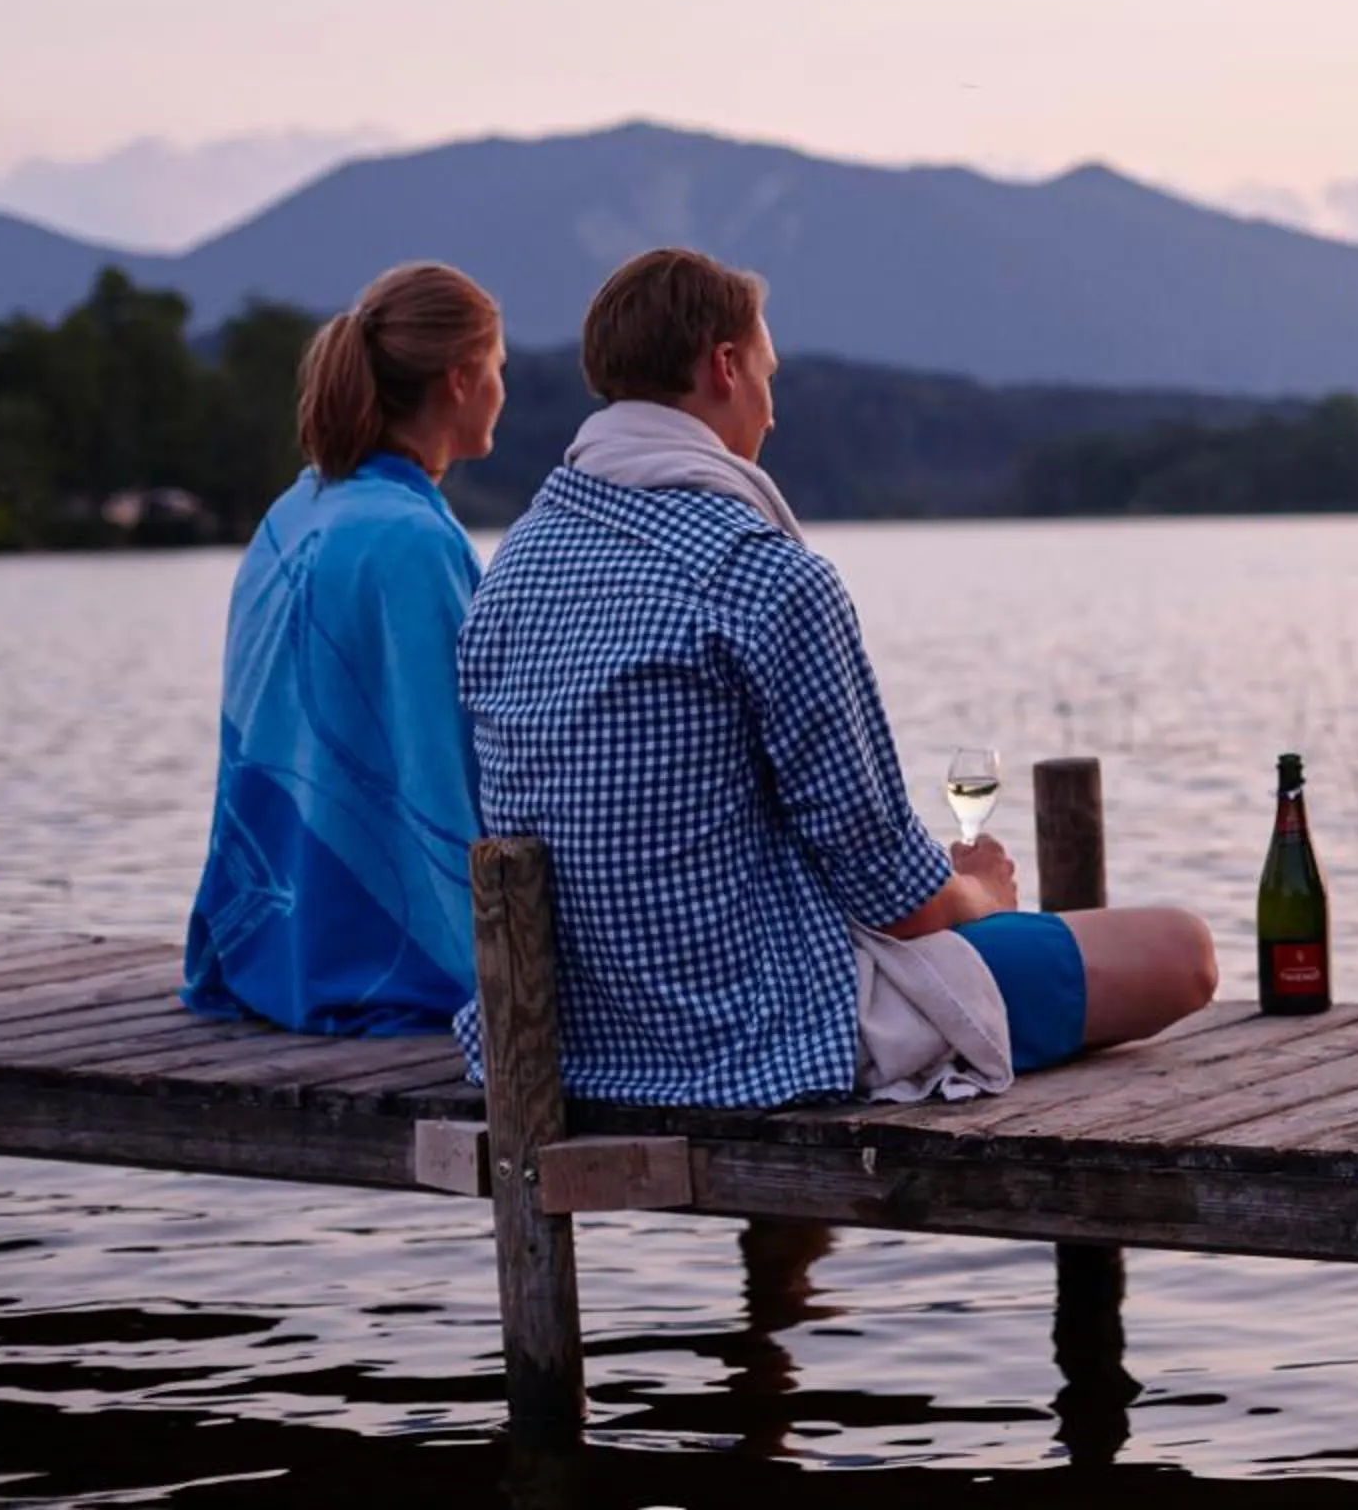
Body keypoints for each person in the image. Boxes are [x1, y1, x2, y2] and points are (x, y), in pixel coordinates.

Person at [455, 247, 1215, 1107]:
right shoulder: (759, 573)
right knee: (1181, 951)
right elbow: (898, 899)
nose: (771, 414)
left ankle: (786, 1247)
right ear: (725, 366)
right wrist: (979, 897)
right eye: (767, 376)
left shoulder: (515, 565)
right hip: (750, 1031)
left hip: (568, 1031)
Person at [182, 261, 507, 1034]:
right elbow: (459, 755)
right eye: (499, 369)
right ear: (461, 379)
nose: (503, 389)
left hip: (264, 939)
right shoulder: (413, 541)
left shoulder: (293, 513)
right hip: (379, 952)